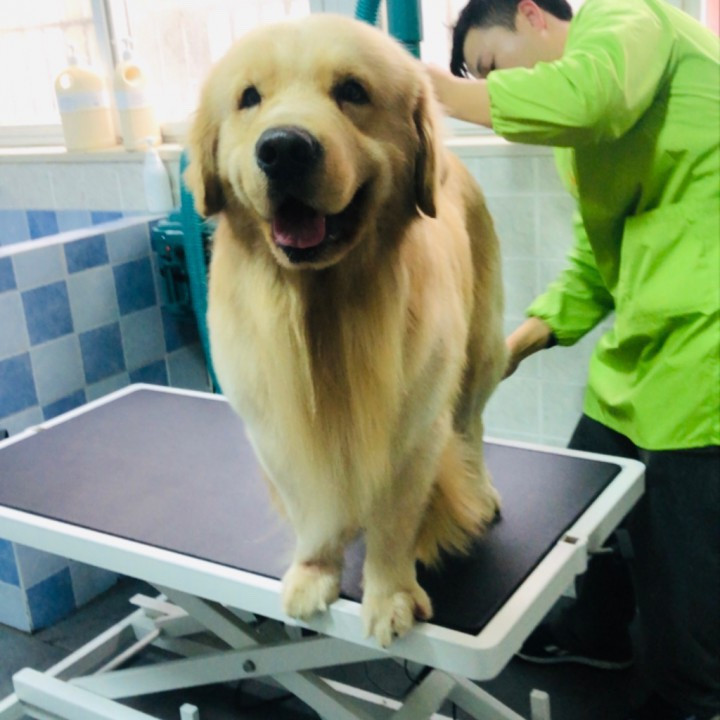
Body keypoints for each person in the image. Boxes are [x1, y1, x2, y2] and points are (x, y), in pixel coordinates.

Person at [426, 1, 720, 719]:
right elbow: (594, 267)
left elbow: (589, 94)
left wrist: (431, 91)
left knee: (680, 547)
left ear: (531, 14)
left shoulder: (629, 20)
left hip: (707, 337)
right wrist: (507, 351)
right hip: (645, 339)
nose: (493, 87)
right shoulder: (579, 144)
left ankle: (695, 697)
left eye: (490, 65)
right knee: (591, 481)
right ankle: (596, 631)